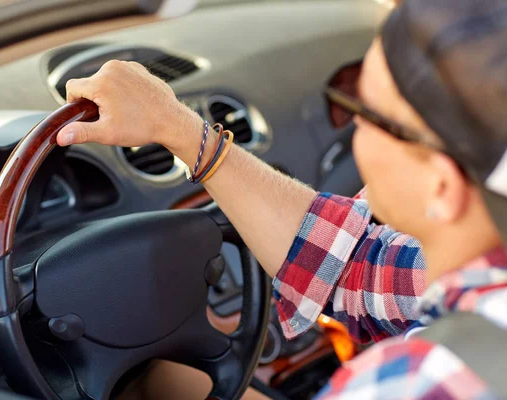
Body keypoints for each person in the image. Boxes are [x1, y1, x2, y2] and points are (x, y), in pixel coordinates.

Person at [56, 0, 507, 398]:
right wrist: (176, 127)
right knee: (170, 379)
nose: (354, 126)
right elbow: (355, 268)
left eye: (367, 112)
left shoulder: (416, 382)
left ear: (442, 187)